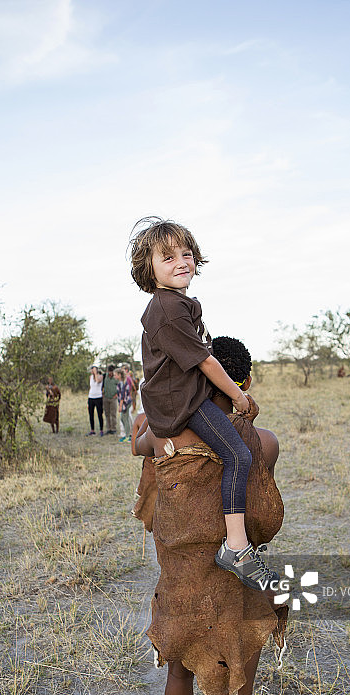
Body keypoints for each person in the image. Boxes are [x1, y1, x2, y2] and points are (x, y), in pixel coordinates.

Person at [131, 335, 286, 695]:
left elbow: (139, 441)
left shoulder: (165, 439)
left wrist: (150, 420)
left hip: (183, 589)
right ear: (247, 382)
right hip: (239, 589)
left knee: (178, 674)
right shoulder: (264, 443)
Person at [129, 217, 277, 592]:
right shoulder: (167, 308)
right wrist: (240, 397)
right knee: (240, 455)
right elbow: (206, 362)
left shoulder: (179, 304)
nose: (181, 261)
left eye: (186, 253)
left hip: (179, 395)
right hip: (183, 402)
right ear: (149, 269)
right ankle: (237, 547)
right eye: (167, 257)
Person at [87, 365, 104, 437]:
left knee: (99, 414)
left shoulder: (100, 376)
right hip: (91, 397)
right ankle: (92, 430)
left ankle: (101, 430)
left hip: (98, 397)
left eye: (93, 370)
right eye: (92, 370)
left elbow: (97, 381)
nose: (92, 371)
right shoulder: (90, 377)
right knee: (91, 414)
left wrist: (96, 373)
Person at [116, 368, 132, 442]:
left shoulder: (124, 383)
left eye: (115, 375)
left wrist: (120, 406)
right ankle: (127, 434)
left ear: (119, 375)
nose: (114, 376)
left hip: (125, 403)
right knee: (123, 419)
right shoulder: (120, 382)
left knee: (125, 419)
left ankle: (128, 436)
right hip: (124, 403)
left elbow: (122, 396)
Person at [102, 364, 118, 434]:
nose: (110, 373)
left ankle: (113, 429)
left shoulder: (116, 378)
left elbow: (120, 386)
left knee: (113, 414)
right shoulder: (104, 376)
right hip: (105, 397)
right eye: (109, 371)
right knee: (107, 414)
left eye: (111, 372)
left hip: (113, 398)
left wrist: (117, 395)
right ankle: (108, 428)